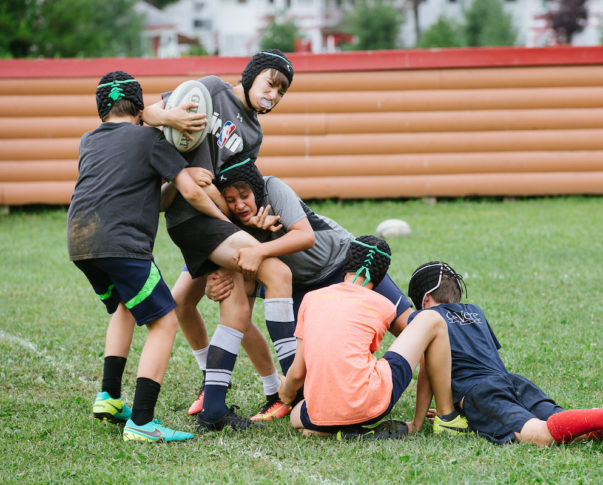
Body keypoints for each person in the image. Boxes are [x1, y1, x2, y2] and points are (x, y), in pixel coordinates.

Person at [139, 50, 298, 430]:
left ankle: (218, 399)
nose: (273, 95)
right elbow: (146, 114)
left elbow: (232, 185)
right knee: (277, 275)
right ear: (251, 75)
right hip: (195, 216)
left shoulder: (254, 132)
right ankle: (297, 384)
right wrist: (170, 116)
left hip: (215, 219)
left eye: (282, 91)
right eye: (270, 83)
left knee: (224, 304)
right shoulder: (210, 89)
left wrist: (249, 221)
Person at [67, 71, 229, 443]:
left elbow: (138, 187)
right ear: (141, 110)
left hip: (79, 241)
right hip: (121, 242)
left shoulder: (87, 141)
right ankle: (142, 421)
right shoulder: (150, 138)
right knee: (165, 321)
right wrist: (223, 220)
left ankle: (109, 397)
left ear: (101, 110)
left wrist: (174, 177)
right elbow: (191, 192)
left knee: (126, 305)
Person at [406, 261, 603, 454]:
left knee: (539, 436)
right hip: (511, 381)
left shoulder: (426, 319)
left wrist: (421, 422)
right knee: (569, 429)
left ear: (427, 300)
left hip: (481, 392)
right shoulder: (476, 312)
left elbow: (428, 372)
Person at [202, 155, 415, 420]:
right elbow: (237, 281)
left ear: (256, 189)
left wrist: (259, 250)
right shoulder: (229, 222)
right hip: (300, 290)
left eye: (244, 196)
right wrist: (215, 286)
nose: (239, 205)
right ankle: (284, 396)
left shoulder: (272, 188)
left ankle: (453, 390)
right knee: (304, 360)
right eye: (230, 200)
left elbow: (305, 235)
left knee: (409, 327)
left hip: (343, 265)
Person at [276, 236, 468, 439]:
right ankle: (444, 417)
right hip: (372, 407)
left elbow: (297, 374)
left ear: (346, 263)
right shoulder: (383, 305)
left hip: (319, 414)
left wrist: (286, 393)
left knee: (296, 416)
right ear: (381, 275)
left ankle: (334, 433)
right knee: (431, 319)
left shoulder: (311, 298)